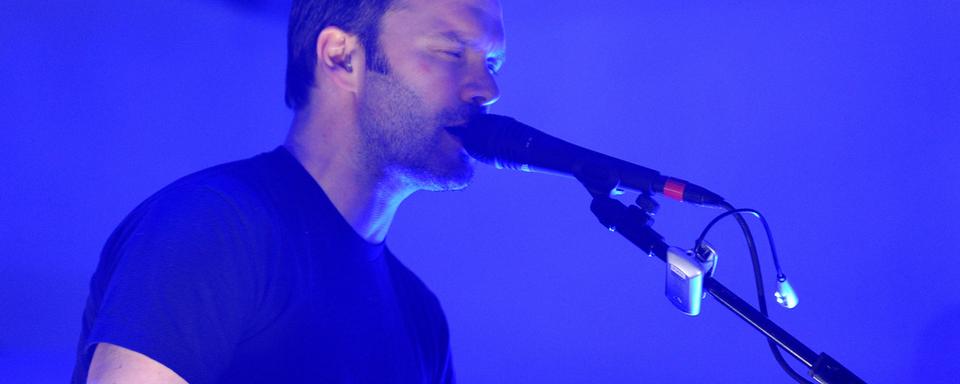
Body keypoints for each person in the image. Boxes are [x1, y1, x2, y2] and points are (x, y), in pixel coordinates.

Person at [72, 0, 505, 382]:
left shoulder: (420, 316)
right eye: (452, 52)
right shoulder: (215, 224)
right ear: (341, 57)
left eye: (492, 63)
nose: (488, 89)